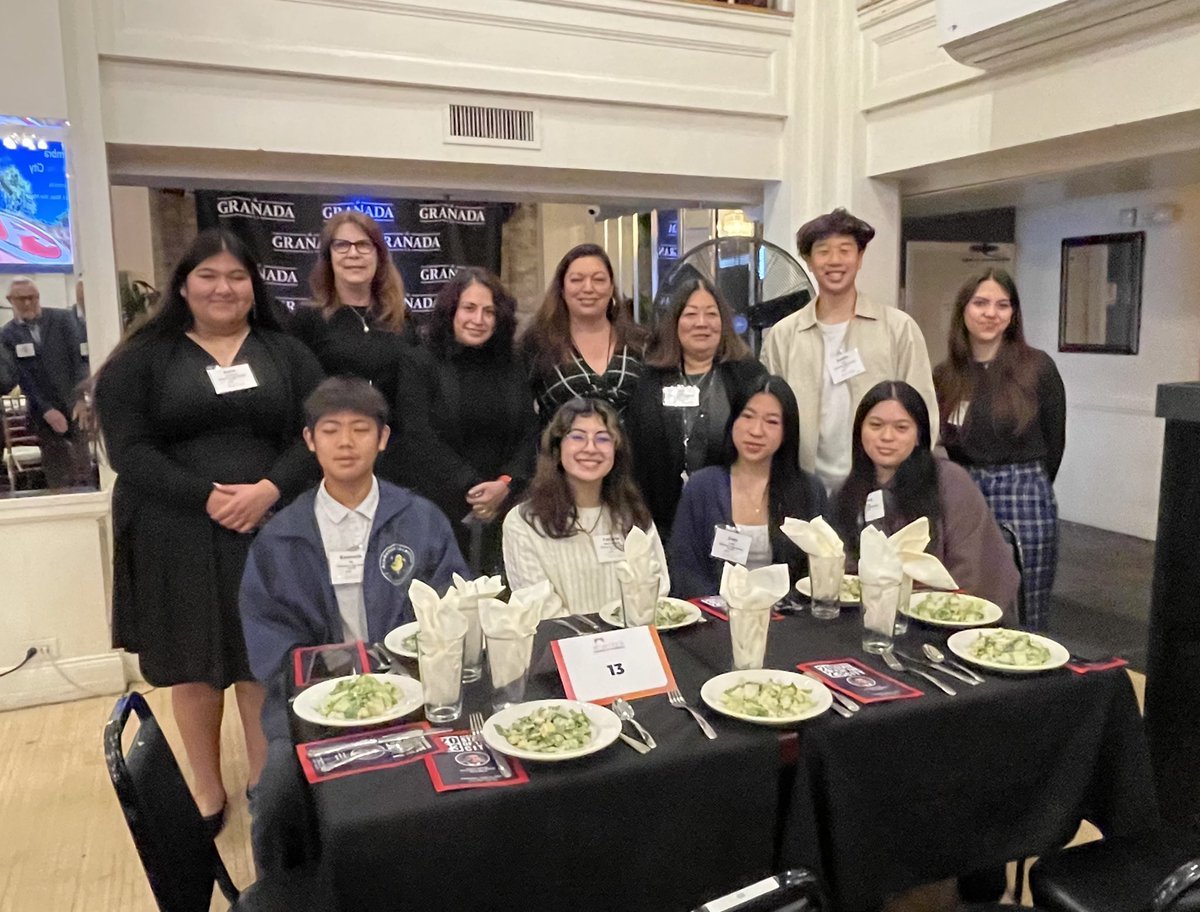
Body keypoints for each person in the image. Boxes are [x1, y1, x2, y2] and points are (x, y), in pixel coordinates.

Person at [93, 228, 324, 838]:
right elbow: (128, 450)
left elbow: (318, 432)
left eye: (237, 276)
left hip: (269, 527)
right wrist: (207, 497)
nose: (223, 288)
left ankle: (264, 783)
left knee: (259, 661)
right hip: (173, 529)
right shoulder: (144, 358)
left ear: (254, 287)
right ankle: (204, 785)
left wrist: (269, 490)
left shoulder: (286, 353)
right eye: (208, 276)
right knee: (194, 665)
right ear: (184, 286)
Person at [240, 376, 468, 870]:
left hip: (416, 695)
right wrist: (344, 679)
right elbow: (270, 646)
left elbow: (454, 611)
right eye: (331, 430)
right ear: (309, 441)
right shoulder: (280, 537)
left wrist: (405, 673)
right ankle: (289, 892)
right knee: (277, 792)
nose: (346, 443)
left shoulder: (421, 519)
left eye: (361, 429)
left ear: (382, 439)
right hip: (312, 708)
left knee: (470, 780)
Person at [761, 208, 937, 496]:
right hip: (804, 487)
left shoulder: (898, 329)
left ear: (860, 258)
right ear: (808, 260)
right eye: (823, 251)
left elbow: (924, 412)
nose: (835, 261)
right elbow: (769, 415)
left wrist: (905, 483)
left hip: (880, 487)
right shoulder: (784, 335)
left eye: (845, 250)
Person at [934, 269, 1066, 630]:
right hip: (965, 490)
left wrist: (1028, 481)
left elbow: (1055, 442)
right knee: (968, 590)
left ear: (1013, 314)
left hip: (1025, 491)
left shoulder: (1037, 367)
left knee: (1027, 598)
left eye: (1002, 305)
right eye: (981, 303)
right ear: (963, 310)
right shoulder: (945, 376)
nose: (991, 313)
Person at [831, 380, 1019, 617]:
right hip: (870, 616)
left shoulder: (950, 482)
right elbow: (845, 568)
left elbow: (969, 571)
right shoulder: (848, 489)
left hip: (951, 616)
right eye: (876, 425)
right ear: (860, 431)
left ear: (919, 435)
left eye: (901, 428)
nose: (886, 436)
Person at [625, 275, 767, 540]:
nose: (701, 323)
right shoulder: (650, 380)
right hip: (661, 519)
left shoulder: (749, 376)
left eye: (711, 314)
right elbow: (636, 452)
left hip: (731, 517)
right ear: (675, 323)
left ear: (723, 322)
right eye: (691, 314)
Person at [415, 267, 538, 572]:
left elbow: (527, 429)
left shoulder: (512, 363)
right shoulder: (420, 361)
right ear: (451, 311)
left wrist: (505, 484)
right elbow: (419, 435)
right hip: (440, 508)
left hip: (506, 505)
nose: (478, 319)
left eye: (489, 311)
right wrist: (471, 486)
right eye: (469, 308)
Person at [502, 397, 668, 616]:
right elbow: (541, 610)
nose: (590, 448)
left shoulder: (632, 514)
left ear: (616, 451)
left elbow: (658, 590)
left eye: (603, 439)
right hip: (560, 646)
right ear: (557, 447)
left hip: (632, 644)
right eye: (577, 437)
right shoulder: (523, 523)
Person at [669, 376, 826, 598]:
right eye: (747, 416)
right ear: (732, 421)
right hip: (716, 621)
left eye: (771, 422)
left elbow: (816, 571)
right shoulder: (702, 487)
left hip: (789, 623)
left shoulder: (809, 490)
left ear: (787, 431)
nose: (756, 431)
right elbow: (685, 570)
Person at [288, 210, 412, 481]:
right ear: (328, 257)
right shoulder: (307, 320)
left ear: (379, 256)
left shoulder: (402, 319)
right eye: (341, 245)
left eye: (364, 245)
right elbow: (300, 399)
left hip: (395, 459)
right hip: (332, 458)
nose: (353, 254)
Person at [519, 244, 646, 423]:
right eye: (577, 280)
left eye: (599, 280)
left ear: (611, 288)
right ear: (562, 289)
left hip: (633, 451)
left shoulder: (640, 343)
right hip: (558, 450)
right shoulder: (537, 343)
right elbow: (519, 415)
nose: (588, 288)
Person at [1, 276, 91, 488]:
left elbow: (80, 361)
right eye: (21, 299)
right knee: (57, 473)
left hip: (74, 406)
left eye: (32, 298)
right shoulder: (7, 335)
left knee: (82, 468)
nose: (27, 303)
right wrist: (46, 410)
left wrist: (79, 399)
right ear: (10, 300)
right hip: (42, 414)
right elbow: (21, 377)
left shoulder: (63, 319)